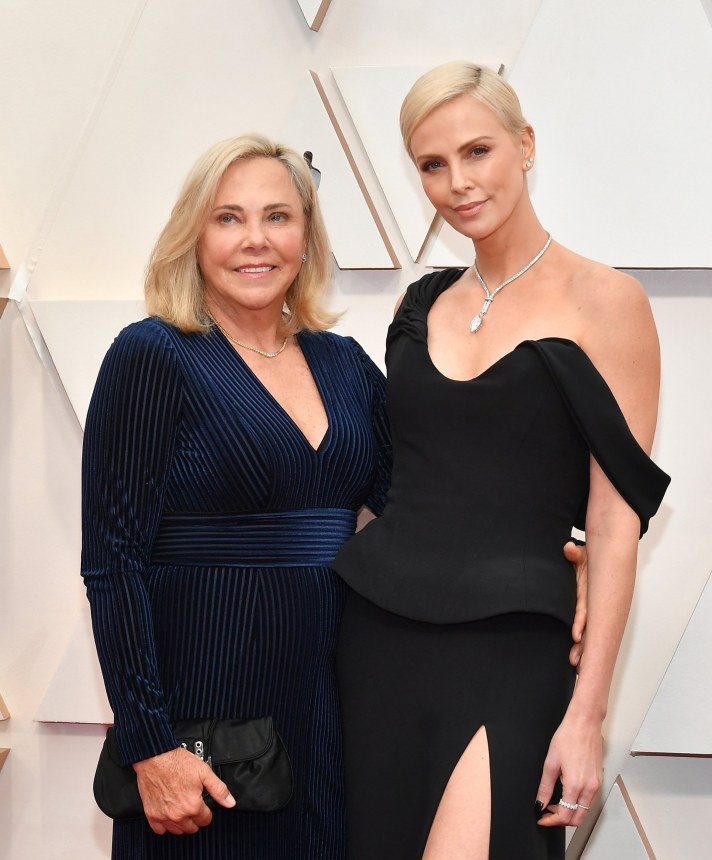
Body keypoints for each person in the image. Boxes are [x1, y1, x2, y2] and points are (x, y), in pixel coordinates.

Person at [333, 61, 670, 860]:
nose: (458, 182)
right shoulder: (420, 306)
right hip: (378, 635)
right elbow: (405, 475)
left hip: (514, 645)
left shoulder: (607, 301)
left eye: (477, 151)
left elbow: (614, 525)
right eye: (432, 164)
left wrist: (586, 717)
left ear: (525, 146)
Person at [80, 132, 392, 859]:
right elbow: (112, 564)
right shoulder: (153, 354)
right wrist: (150, 746)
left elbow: (423, 503)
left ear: (306, 235)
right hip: (204, 736)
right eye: (228, 218)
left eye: (278, 217)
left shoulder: (343, 362)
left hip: (328, 720)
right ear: (194, 233)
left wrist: (553, 546)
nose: (255, 240)